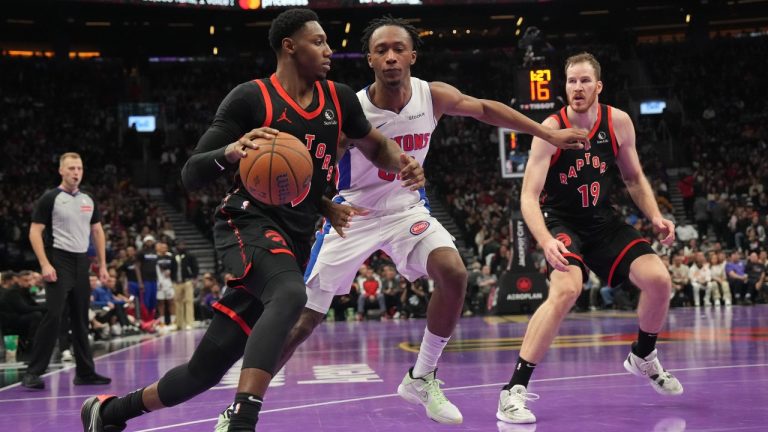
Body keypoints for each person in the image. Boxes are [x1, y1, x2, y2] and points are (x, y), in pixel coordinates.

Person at [215, 15, 588, 428]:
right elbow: (310, 171)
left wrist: (548, 134)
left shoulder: (433, 96)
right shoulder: (350, 109)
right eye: (381, 51)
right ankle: (240, 408)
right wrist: (323, 204)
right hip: (351, 212)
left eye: (398, 49)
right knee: (303, 319)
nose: (391, 57)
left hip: (406, 209)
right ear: (369, 60)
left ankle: (422, 376)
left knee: (454, 272)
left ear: (412, 55)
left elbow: (485, 110)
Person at [81, 8, 424, 432]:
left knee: (201, 372)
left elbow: (375, 147)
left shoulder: (338, 97)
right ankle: (244, 417)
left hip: (294, 237)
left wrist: (400, 163)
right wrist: (230, 152)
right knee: (290, 293)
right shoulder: (250, 98)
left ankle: (109, 412)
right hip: (246, 222)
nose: (329, 50)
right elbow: (191, 173)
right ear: (289, 46)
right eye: (318, 42)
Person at [496, 52, 682, 425]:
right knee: (567, 290)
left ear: (598, 86)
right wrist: (547, 240)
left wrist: (655, 215)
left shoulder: (618, 122)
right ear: (564, 87)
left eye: (584, 81)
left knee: (659, 280)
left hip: (602, 221)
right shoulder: (550, 128)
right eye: (571, 81)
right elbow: (528, 197)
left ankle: (643, 356)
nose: (577, 88)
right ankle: (512, 391)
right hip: (561, 220)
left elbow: (632, 178)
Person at [22, 152, 111, 390]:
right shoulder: (50, 198)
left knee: (82, 318)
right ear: (61, 171)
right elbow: (34, 231)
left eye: (79, 168)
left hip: (81, 261)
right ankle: (33, 372)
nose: (76, 173)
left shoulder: (88, 200)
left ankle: (85, 372)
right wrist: (44, 264)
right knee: (53, 315)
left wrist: (102, 265)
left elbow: (98, 232)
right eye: (71, 168)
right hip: (58, 259)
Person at [170, 240, 199, 330]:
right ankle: (179, 324)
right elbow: (171, 268)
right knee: (177, 303)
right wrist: (172, 279)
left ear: (185, 246)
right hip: (177, 282)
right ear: (177, 246)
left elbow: (195, 267)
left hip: (187, 281)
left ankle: (190, 322)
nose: (181, 246)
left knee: (188, 302)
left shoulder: (190, 256)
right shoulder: (174, 256)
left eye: (183, 244)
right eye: (179, 244)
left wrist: (194, 278)